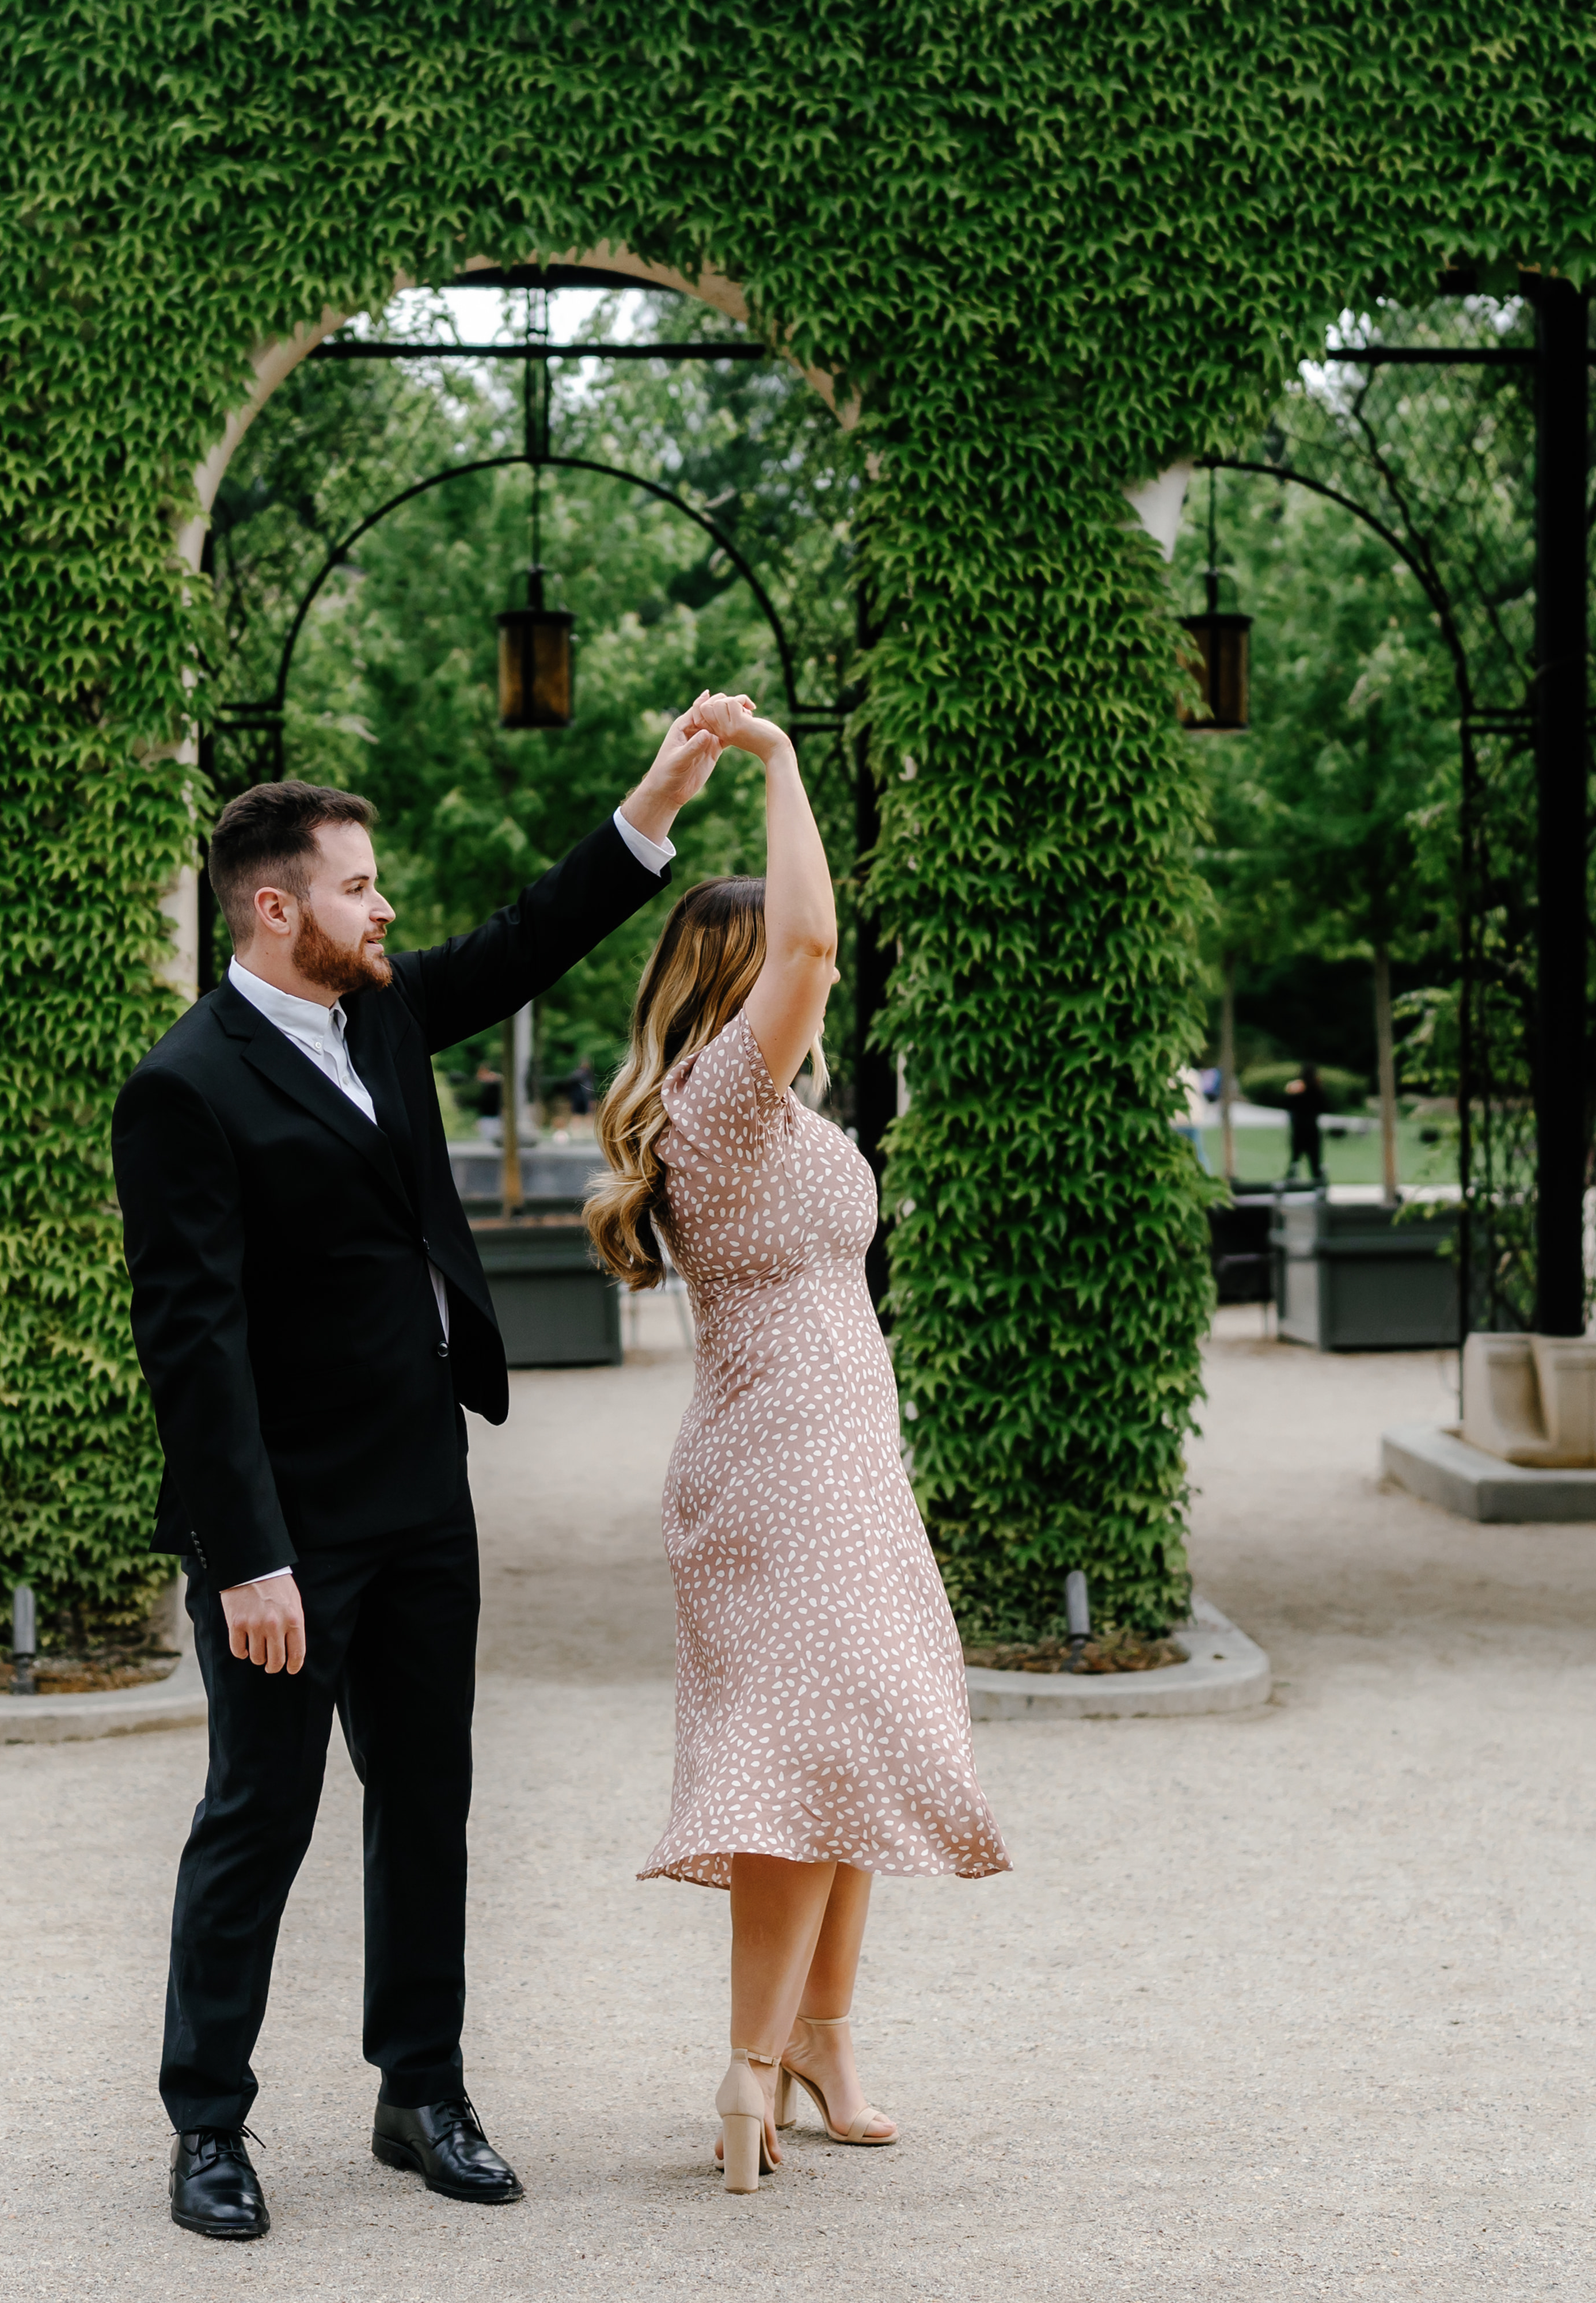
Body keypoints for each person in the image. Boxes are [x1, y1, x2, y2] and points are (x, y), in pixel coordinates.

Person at [112, 721, 721, 2244]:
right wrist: (247, 1558)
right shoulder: (185, 1088)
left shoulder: (382, 1011)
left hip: (421, 1494)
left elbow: (534, 935)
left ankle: (422, 2090)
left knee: (428, 1798)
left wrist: (656, 799)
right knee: (260, 1808)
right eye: (360, 887)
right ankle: (208, 2123)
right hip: (285, 1531)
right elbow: (193, 1346)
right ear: (274, 906)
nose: (385, 912)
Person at [582, 692, 1009, 2198]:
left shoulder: (748, 1113)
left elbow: (814, 957)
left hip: (832, 1457)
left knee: (855, 1742)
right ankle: (754, 2066)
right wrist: (781, 763)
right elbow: (821, 946)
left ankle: (821, 2042)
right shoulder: (724, 1100)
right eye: (775, 972)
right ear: (734, 978)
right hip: (785, 1472)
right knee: (791, 1760)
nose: (805, 991)